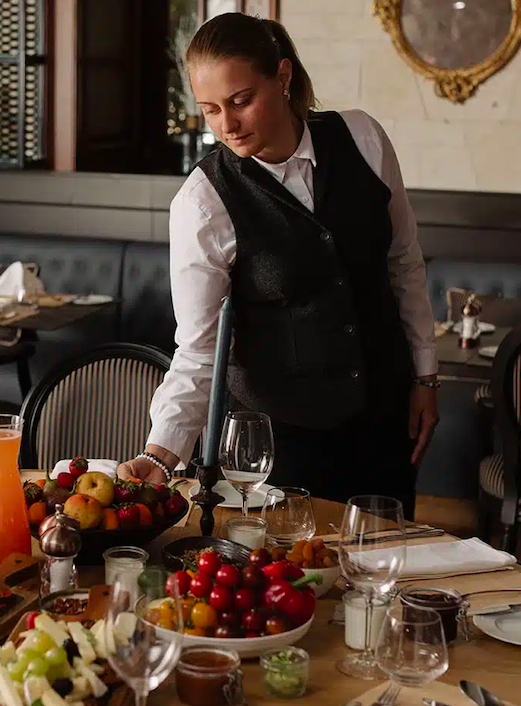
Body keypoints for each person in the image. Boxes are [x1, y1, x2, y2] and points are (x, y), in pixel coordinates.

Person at [117, 13, 438, 519]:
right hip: (277, 445)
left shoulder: (364, 140)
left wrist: (425, 377)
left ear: (283, 77)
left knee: (383, 572)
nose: (227, 125)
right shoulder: (203, 203)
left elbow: (404, 264)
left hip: (385, 416)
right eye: (210, 110)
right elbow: (198, 349)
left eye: (241, 100)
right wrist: (161, 450)